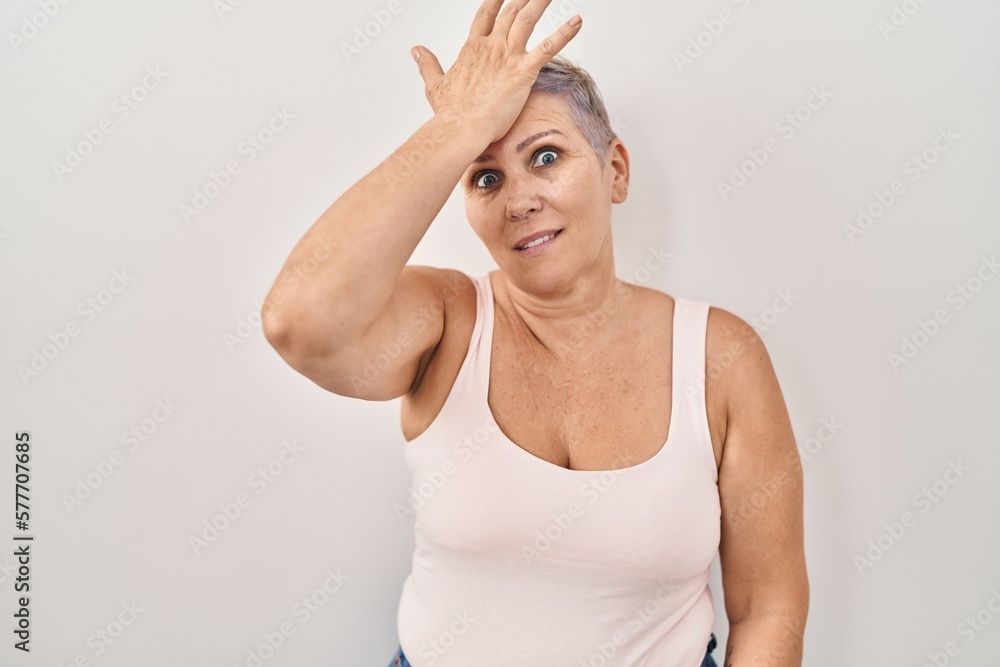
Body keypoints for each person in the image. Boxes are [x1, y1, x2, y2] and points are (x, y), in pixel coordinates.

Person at [260, 0, 809, 665]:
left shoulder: (721, 356)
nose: (519, 200)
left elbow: (768, 605)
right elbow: (300, 321)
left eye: (546, 156)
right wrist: (457, 126)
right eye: (486, 176)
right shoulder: (447, 322)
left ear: (615, 170)